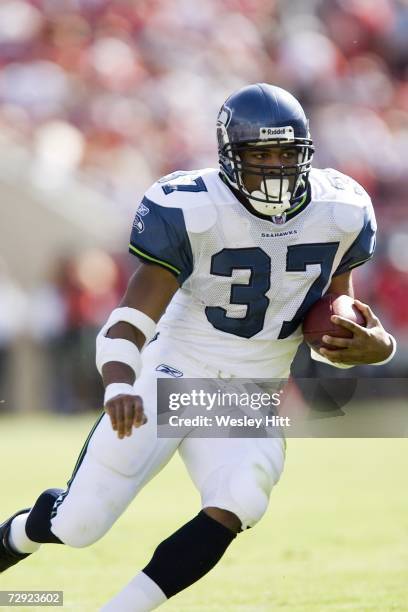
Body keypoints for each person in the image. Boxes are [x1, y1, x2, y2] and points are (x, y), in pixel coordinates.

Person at [0, 84, 396, 610]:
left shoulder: (340, 209)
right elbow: (128, 321)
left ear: (306, 153)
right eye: (259, 155)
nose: (275, 168)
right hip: (173, 374)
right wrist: (120, 382)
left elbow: (333, 325)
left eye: (285, 154)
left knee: (242, 496)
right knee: (80, 525)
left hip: (249, 392)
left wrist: (376, 346)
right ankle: (18, 536)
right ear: (230, 157)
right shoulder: (191, 208)